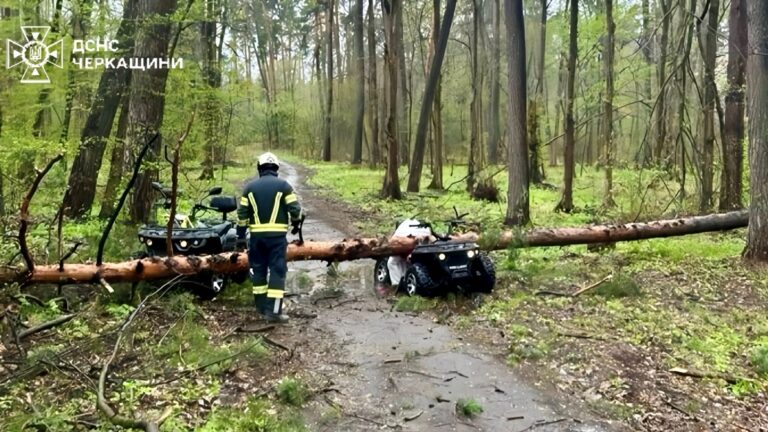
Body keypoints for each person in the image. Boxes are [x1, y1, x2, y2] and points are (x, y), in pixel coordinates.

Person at [237, 152, 303, 323]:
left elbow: (242, 215)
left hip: (256, 239)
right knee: (277, 271)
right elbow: (295, 210)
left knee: (258, 271)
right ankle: (273, 312)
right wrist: (296, 223)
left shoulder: (249, 188)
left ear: (259, 168)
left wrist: (240, 237)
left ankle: (261, 308)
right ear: (276, 169)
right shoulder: (284, 186)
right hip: (277, 239)